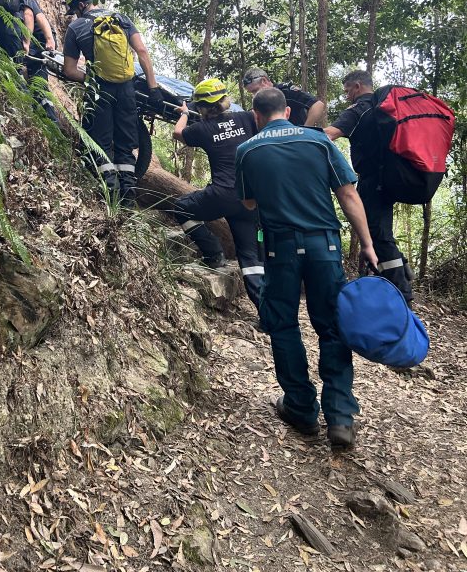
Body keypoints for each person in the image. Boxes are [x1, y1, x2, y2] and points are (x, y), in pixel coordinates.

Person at [235, 87, 378, 448]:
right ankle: (340, 417)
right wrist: (367, 243)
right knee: (332, 326)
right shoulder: (317, 142)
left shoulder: (247, 150)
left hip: (279, 249)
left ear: (256, 116)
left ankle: (300, 407)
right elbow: (347, 194)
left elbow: (249, 203)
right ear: (288, 111)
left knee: (283, 325)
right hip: (324, 247)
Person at [62, 0, 163, 206]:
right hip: (127, 89)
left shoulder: (75, 28)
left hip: (99, 91)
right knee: (126, 144)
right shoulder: (121, 19)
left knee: (101, 142)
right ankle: (128, 197)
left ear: (79, 5)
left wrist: (92, 79)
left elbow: (69, 70)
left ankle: (109, 198)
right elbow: (142, 51)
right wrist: (153, 87)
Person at [172, 78, 263, 311]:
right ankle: (267, 313)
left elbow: (178, 133)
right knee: (250, 258)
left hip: (221, 195)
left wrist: (184, 112)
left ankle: (213, 252)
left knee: (180, 206)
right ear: (225, 100)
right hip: (250, 198)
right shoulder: (245, 118)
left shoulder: (202, 128)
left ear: (201, 107)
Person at [324, 69, 413, 302]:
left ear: (357, 87)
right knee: (379, 230)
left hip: (373, 181)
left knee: (379, 235)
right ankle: (399, 272)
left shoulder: (359, 110)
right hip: (391, 178)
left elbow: (328, 135)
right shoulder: (385, 107)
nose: (346, 96)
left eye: (346, 91)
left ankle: (402, 292)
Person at [242, 67, 325, 126]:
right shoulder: (259, 103)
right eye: (252, 93)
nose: (255, 95)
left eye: (255, 90)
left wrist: (305, 131)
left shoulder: (286, 92)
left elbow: (317, 105)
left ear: (264, 81)